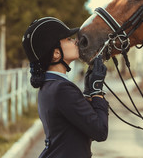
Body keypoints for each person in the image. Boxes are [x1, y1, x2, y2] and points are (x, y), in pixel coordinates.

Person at [22, 17, 109, 158]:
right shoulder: (61, 89)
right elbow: (100, 131)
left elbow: (81, 125)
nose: (75, 41)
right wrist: (97, 91)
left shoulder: (50, 85)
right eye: (68, 39)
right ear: (56, 54)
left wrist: (88, 92)